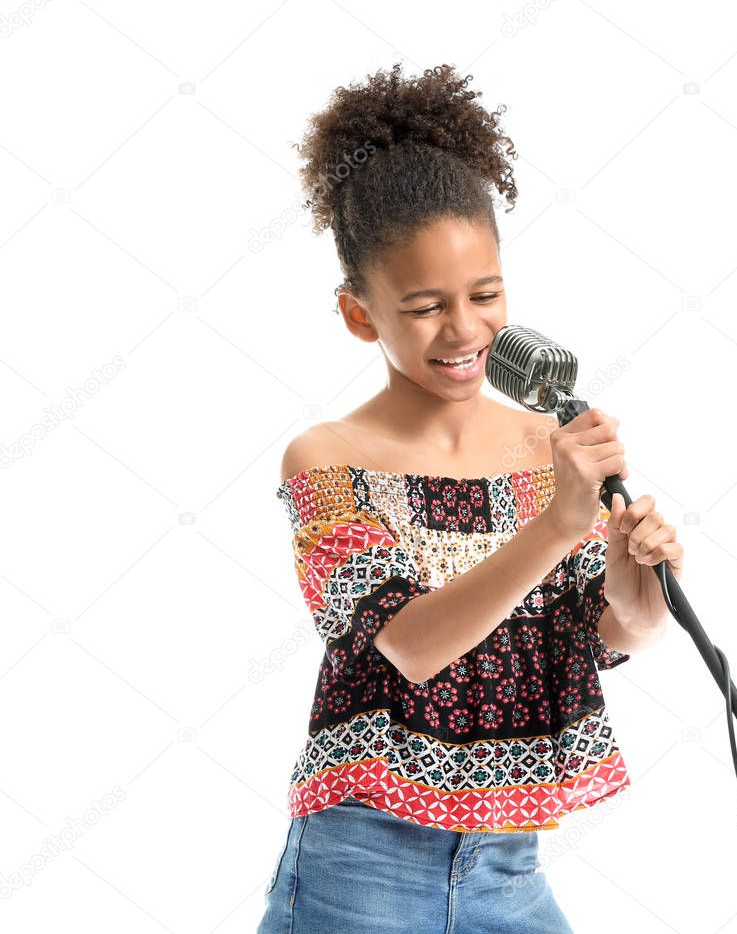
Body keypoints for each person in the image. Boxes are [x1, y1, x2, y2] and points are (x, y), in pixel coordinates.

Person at [257, 62, 683, 934]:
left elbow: (607, 634)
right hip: (363, 868)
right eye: (424, 306)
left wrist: (632, 562)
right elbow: (412, 644)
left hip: (508, 866)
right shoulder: (329, 459)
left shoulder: (543, 444)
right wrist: (558, 524)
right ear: (358, 313)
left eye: (486, 295)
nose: (464, 331)